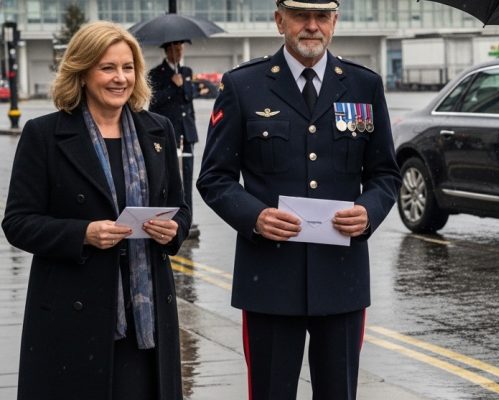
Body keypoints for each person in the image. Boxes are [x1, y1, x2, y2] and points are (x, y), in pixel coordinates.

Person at [196, 0, 400, 398]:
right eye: (300, 16)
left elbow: (385, 174)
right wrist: (255, 217)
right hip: (270, 280)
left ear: (334, 22)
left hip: (340, 279)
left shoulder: (364, 85)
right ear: (279, 20)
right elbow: (215, 178)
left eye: (321, 17)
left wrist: (368, 211)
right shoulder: (242, 85)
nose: (311, 26)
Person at [2, 21, 190, 400]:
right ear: (83, 72)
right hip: (74, 316)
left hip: (146, 321)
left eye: (128, 67)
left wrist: (174, 230)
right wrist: (83, 234)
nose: (120, 78)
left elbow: (180, 209)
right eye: (108, 68)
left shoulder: (158, 130)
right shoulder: (44, 135)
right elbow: (18, 222)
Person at [149, 39, 198, 231]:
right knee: (169, 178)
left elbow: (189, 97)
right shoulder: (156, 74)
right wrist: (172, 86)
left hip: (186, 132)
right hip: (167, 134)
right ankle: (169, 218)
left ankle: (188, 219)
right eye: (175, 49)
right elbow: (154, 102)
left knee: (187, 176)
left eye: (181, 49)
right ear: (167, 51)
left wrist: (183, 84)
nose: (179, 53)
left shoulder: (186, 72)